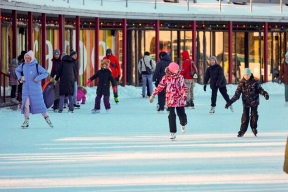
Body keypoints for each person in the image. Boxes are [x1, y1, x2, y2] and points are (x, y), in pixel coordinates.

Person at [225, 68, 269, 137]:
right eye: (245, 75)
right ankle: (242, 131)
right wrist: (230, 102)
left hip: (254, 102)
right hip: (246, 103)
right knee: (245, 116)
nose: (246, 76)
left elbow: (260, 90)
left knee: (254, 116)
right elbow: (237, 95)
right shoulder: (241, 83)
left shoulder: (255, 82)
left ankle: (254, 128)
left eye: (247, 75)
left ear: (250, 74)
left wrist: (265, 94)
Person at [149, 62, 188, 140]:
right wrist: (153, 95)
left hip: (179, 99)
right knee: (171, 116)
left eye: (178, 68)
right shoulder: (166, 78)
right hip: (170, 99)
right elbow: (160, 87)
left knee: (182, 115)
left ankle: (183, 123)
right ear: (172, 70)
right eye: (176, 69)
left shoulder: (180, 77)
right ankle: (172, 132)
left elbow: (184, 86)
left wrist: (184, 94)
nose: (178, 70)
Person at [15, 50, 53, 128]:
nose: (27, 59)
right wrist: (20, 78)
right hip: (26, 89)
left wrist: (38, 78)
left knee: (40, 106)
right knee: (25, 104)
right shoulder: (23, 65)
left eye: (29, 58)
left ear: (32, 58)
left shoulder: (36, 66)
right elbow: (17, 70)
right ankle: (26, 121)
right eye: (26, 58)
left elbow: (45, 73)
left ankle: (47, 119)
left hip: (35, 90)